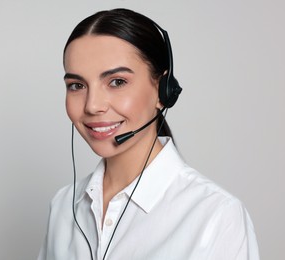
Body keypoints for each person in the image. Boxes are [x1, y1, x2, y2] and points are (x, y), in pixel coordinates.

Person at [38, 8, 259, 260]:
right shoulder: (64, 205)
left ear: (163, 91)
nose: (92, 105)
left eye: (117, 82)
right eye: (77, 85)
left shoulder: (215, 215)